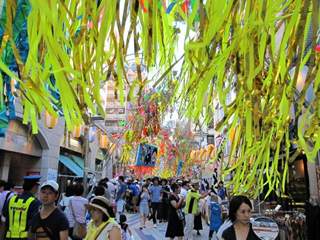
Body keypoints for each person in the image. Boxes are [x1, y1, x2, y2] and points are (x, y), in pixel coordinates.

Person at [3, 175, 42, 239]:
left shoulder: (12, 199)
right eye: (37, 186)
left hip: (9, 237)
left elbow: (4, 214)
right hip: (24, 237)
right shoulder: (35, 202)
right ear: (34, 187)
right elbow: (34, 223)